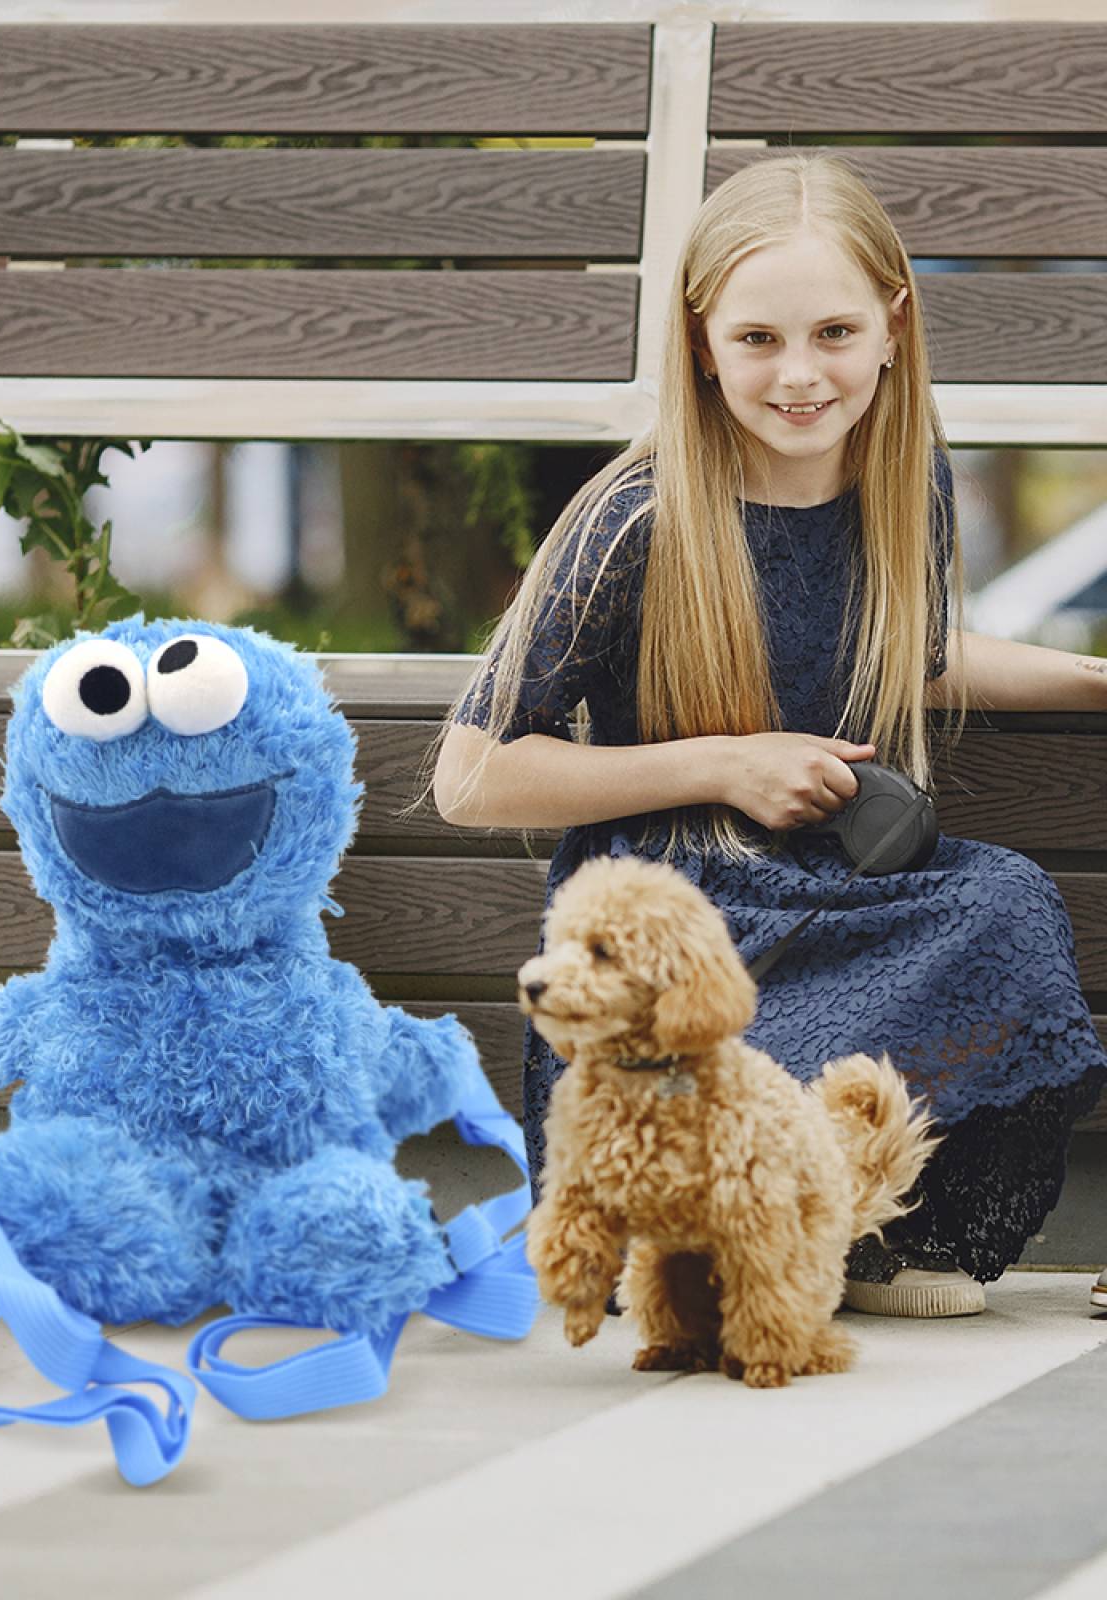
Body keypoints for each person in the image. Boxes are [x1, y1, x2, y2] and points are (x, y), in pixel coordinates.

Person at [434, 153, 1107, 1318]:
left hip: (842, 892)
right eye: (756, 340)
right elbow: (471, 774)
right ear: (700, 342)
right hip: (682, 930)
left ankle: (858, 1232)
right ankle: (723, 1223)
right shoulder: (634, 518)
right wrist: (726, 762)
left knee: (1002, 903)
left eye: (835, 332)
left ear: (895, 326)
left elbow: (923, 647)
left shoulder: (906, 486)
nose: (800, 375)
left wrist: (1093, 679)